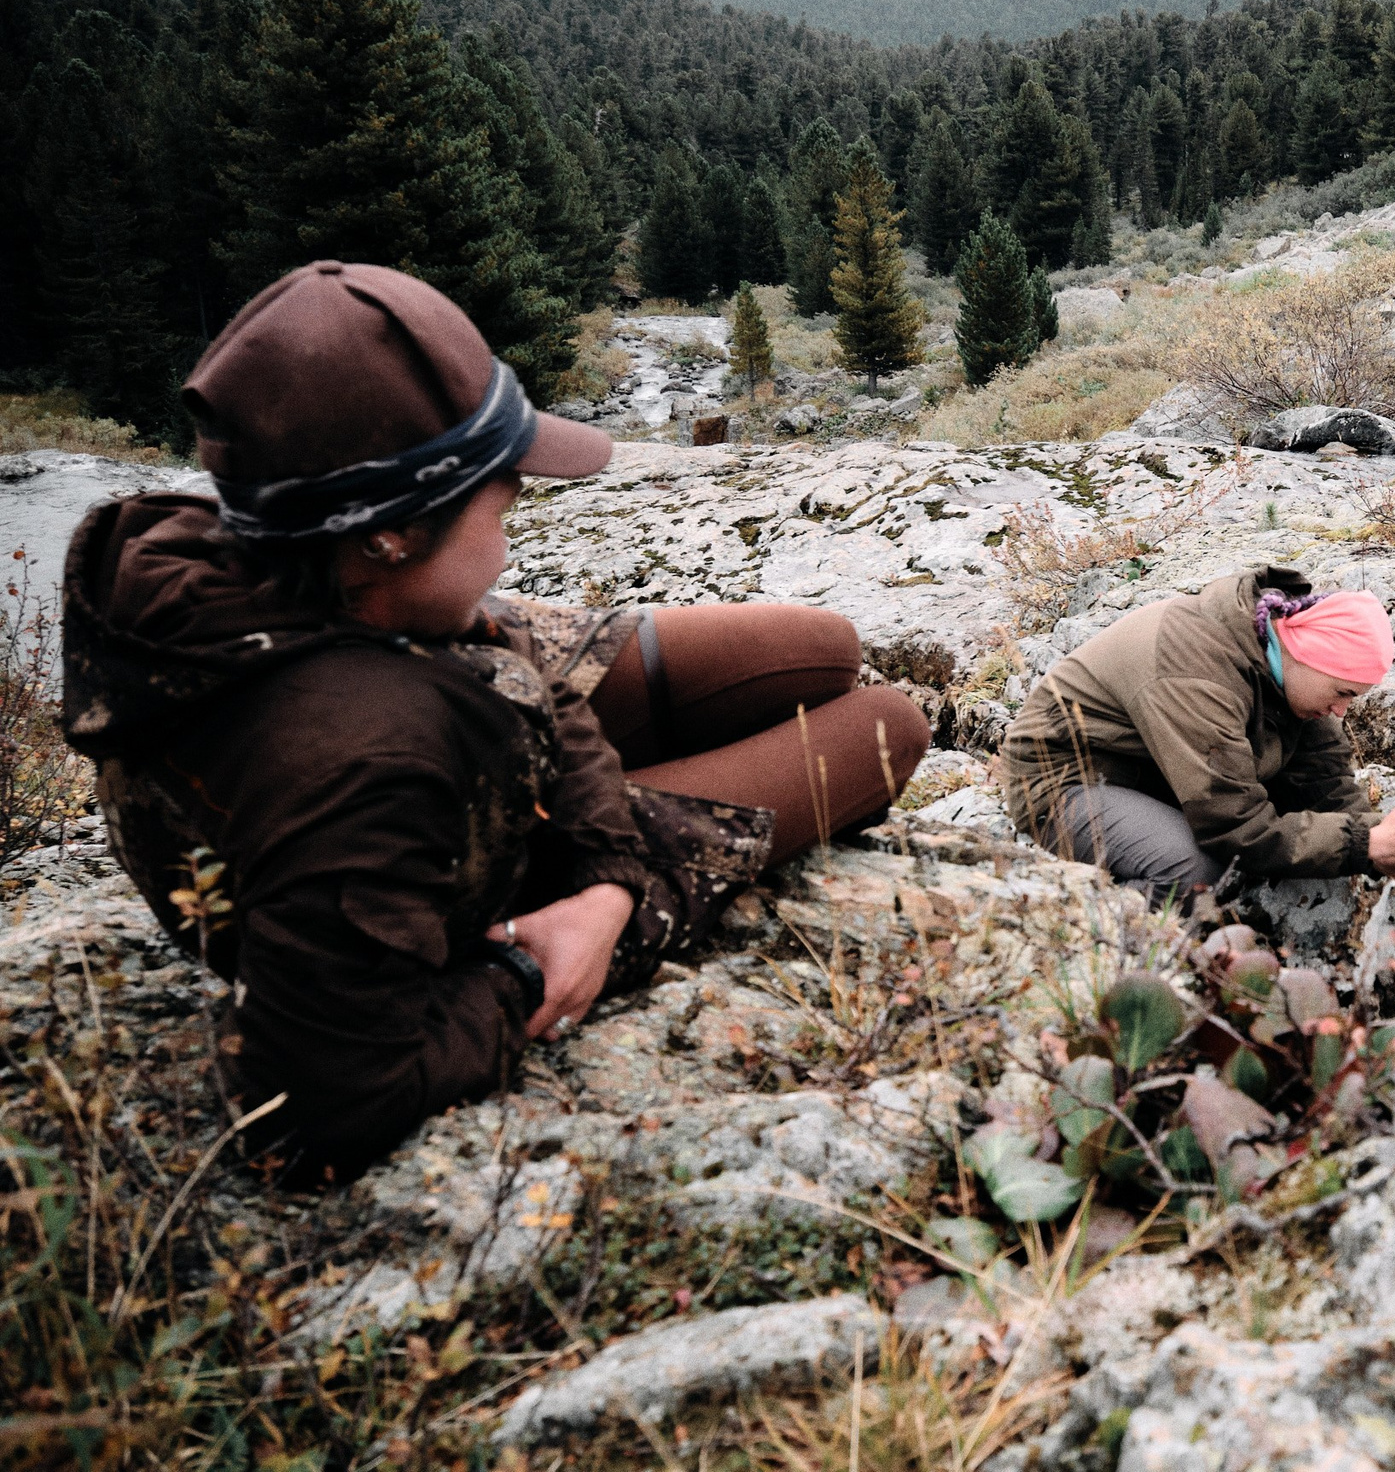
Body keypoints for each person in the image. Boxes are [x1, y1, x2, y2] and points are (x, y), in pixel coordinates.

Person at [58, 260, 932, 1182]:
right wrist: (532, 970)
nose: (518, 497)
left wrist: (609, 873)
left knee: (822, 647)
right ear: (391, 533)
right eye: (498, 484)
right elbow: (322, 1099)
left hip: (464, 715)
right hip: (464, 850)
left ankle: (608, 824)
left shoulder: (292, 553)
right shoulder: (359, 769)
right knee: (887, 725)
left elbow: (516, 663)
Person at [998, 569, 1395, 901]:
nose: (1342, 709)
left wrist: (1383, 845)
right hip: (1065, 783)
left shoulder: (1284, 661)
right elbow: (1238, 830)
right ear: (1307, 655)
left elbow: (1324, 782)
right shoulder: (1195, 675)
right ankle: (1072, 928)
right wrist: (1367, 842)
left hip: (1153, 771)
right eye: (1342, 691)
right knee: (1200, 877)